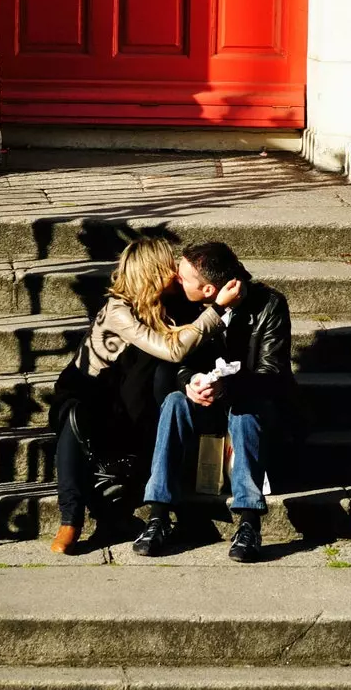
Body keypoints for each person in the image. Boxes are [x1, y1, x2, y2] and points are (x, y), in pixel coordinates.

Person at [49, 237, 237, 555]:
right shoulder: (117, 311)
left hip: (130, 403)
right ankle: (70, 518)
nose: (176, 272)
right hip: (90, 399)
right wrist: (216, 309)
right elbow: (172, 347)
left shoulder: (172, 303)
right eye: (168, 266)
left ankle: (126, 510)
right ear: (151, 273)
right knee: (74, 413)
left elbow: (193, 347)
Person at [132, 240, 292, 562]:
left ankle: (249, 522)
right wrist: (188, 381)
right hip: (204, 407)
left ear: (207, 289)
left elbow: (271, 375)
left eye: (184, 277)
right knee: (176, 403)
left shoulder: (269, 305)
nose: (176, 279)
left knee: (245, 409)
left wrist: (226, 388)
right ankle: (159, 515)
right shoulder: (187, 303)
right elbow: (177, 361)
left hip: (253, 412)